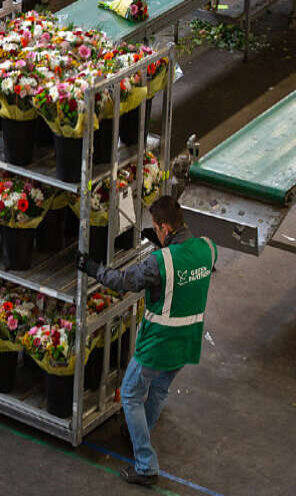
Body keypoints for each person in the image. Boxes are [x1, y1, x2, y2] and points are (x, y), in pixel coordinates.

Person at [76, 196, 217, 487]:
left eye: (155, 227)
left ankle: (145, 463)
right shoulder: (207, 248)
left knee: (129, 393)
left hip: (158, 342)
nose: (155, 231)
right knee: (159, 389)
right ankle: (137, 433)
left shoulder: (159, 262)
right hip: (187, 341)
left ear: (164, 228)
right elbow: (189, 270)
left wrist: (91, 268)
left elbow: (124, 282)